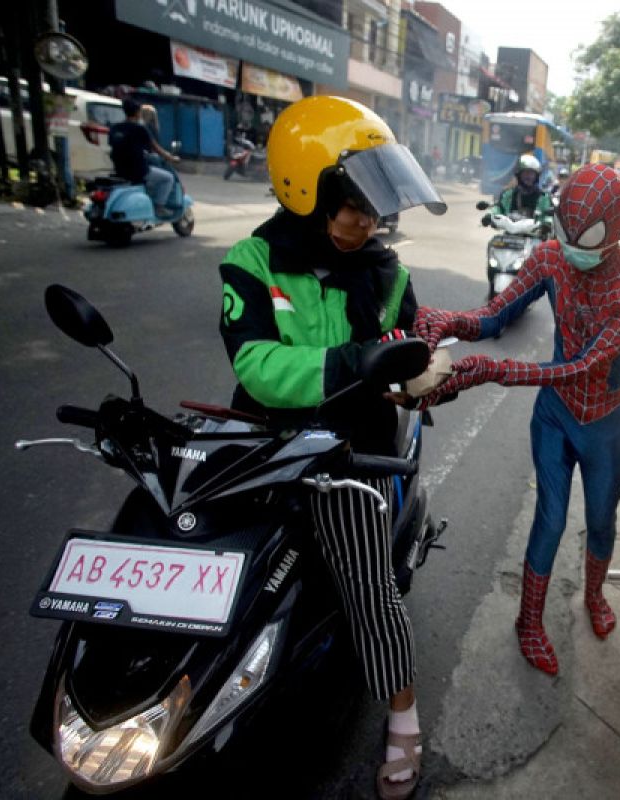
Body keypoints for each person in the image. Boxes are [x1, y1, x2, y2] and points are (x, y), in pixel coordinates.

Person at [217, 95, 446, 799]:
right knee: (217, 569)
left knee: (368, 588)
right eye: (351, 207)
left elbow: (406, 354)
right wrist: (361, 365)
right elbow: (255, 366)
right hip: (266, 443)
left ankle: (403, 716)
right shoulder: (252, 262)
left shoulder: (388, 272)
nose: (365, 223)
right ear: (302, 189)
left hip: (351, 457)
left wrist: (421, 379)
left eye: (375, 210)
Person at [412, 163, 620, 676]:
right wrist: (451, 321)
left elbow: (583, 366)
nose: (572, 247)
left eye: (586, 238)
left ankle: (594, 595)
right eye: (564, 231)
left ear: (615, 229)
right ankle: (529, 622)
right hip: (554, 416)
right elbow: (496, 313)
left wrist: (488, 371)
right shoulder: (550, 257)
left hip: (605, 422)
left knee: (601, 521)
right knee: (548, 519)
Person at [108, 97, 178, 218]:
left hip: (120, 170)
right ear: (137, 112)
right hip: (139, 171)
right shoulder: (140, 129)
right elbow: (156, 147)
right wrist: (171, 158)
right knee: (168, 178)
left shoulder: (115, 128)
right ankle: (159, 207)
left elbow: (116, 146)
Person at [487, 154, 554, 227]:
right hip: (509, 235)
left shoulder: (543, 197)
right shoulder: (508, 194)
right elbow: (499, 208)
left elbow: (548, 215)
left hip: (536, 236)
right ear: (519, 175)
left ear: (536, 176)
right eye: (525, 173)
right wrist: (490, 216)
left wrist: (547, 223)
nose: (528, 177)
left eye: (531, 173)